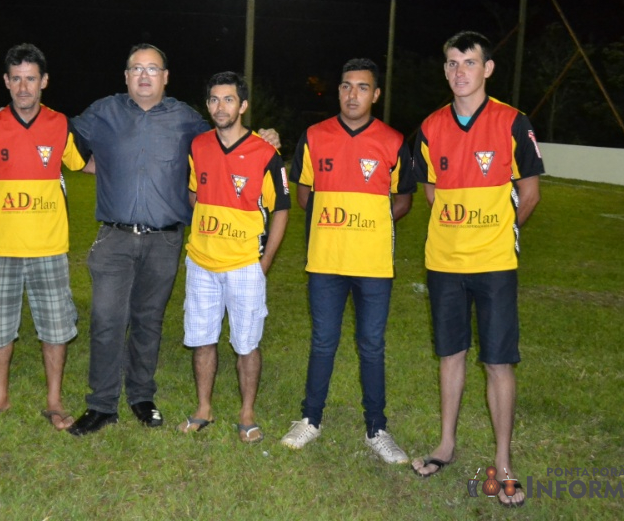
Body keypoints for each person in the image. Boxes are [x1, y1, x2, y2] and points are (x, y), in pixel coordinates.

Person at [65, 44, 279, 436]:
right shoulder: (103, 112)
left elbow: (227, 138)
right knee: (107, 319)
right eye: (136, 69)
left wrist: (266, 133)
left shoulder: (186, 120)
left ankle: (142, 397)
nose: (144, 76)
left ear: (166, 77)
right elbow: (59, 137)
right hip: (114, 237)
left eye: (153, 69)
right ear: (125, 76)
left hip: (164, 241)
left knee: (149, 321)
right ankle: (101, 405)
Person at [411, 31, 543, 508]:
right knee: (451, 354)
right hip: (443, 263)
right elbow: (430, 191)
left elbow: (529, 194)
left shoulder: (512, 122)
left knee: (498, 361)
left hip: (494, 264)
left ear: (487, 69)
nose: (459, 71)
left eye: (469, 62)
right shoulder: (429, 127)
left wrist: (496, 232)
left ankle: (503, 463)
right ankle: (445, 444)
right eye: (451, 63)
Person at [280, 58, 414, 463]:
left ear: (375, 94)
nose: (352, 94)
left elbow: (403, 199)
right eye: (345, 86)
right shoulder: (314, 136)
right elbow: (304, 194)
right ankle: (310, 419)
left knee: (371, 345)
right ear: (337, 91)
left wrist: (367, 224)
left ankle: (377, 428)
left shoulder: (392, 141)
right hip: (325, 261)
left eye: (361, 87)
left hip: (373, 265)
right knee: (323, 342)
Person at [0, 43, 90, 430]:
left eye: (30, 79)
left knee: (55, 326)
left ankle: (54, 400)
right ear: (6, 81)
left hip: (49, 247)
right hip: (2, 248)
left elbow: (86, 164)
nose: (23, 87)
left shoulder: (60, 124)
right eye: (16, 79)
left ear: (44, 82)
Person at [177, 72, 289, 443]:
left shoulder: (265, 152)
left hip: (244, 265)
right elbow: (195, 194)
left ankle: (247, 412)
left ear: (242, 106)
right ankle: (203, 407)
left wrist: (265, 263)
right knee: (202, 338)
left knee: (246, 343)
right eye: (213, 99)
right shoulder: (198, 146)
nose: (219, 106)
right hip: (202, 262)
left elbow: (282, 210)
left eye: (228, 100)